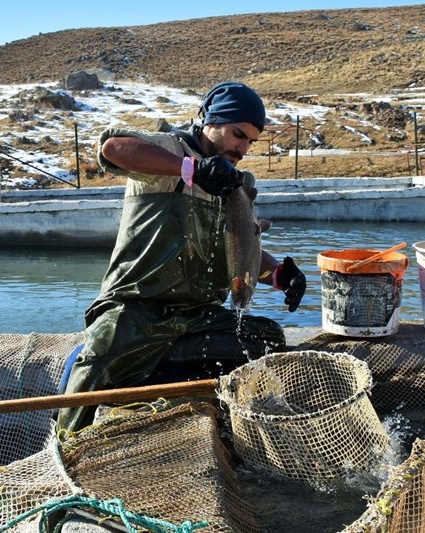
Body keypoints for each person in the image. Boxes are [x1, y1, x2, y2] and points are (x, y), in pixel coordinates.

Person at [55, 81, 307, 434]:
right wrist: (189, 169)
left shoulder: (235, 182)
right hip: (138, 306)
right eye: (238, 135)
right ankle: (68, 437)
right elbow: (113, 148)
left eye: (251, 140)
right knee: (99, 359)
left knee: (266, 339)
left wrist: (280, 275)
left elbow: (242, 249)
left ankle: (159, 382)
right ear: (211, 121)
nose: (244, 148)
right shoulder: (169, 150)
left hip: (198, 316)